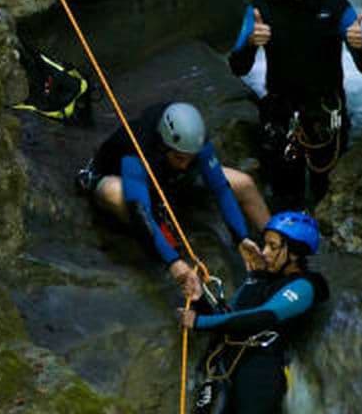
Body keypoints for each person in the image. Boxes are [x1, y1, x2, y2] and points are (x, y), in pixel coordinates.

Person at [177, 211, 329, 414]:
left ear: (294, 253)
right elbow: (232, 317)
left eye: (274, 246)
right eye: (266, 244)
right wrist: (200, 302)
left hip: (260, 375)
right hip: (222, 369)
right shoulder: (257, 280)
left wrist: (200, 322)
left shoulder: (309, 285)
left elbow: (264, 317)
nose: (266, 252)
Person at [228, 0, 362, 211]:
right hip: (282, 112)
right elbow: (237, 67)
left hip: (326, 110)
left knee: (327, 193)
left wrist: (359, 46)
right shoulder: (262, 9)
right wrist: (250, 44)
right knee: (287, 195)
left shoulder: (334, 4)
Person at [76, 101, 271, 300]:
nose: (185, 164)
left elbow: (221, 188)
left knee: (244, 183)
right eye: (179, 158)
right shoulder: (137, 149)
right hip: (118, 179)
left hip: (168, 180)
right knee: (117, 195)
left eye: (190, 158)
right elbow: (139, 210)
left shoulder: (195, 141)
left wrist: (241, 237)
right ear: (164, 146)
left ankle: (278, 244)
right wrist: (174, 262)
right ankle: (161, 236)